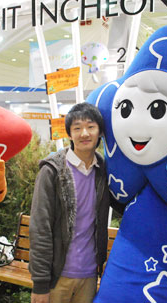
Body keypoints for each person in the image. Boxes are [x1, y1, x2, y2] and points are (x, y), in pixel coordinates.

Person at [29, 102, 119, 303]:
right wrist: (40, 284)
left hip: (89, 275)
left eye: (90, 126)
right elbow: (40, 228)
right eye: (77, 128)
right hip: (57, 276)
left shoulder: (103, 170)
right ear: (69, 134)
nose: (84, 133)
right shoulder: (52, 171)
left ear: (100, 132)